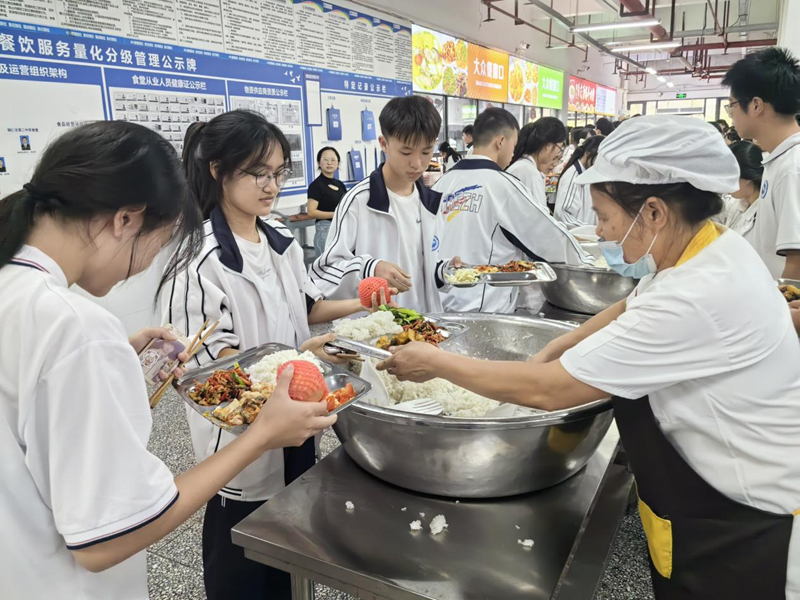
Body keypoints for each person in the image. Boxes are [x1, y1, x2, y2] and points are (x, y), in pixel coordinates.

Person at [380, 116, 800, 600]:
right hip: (715, 508)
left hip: (748, 529)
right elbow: (632, 303)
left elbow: (550, 391)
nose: (599, 231)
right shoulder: (709, 250)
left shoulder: (697, 295)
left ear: (655, 213)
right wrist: (556, 346)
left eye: (603, 216)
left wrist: (435, 363)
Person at [0, 121, 335, 600]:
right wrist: (261, 434)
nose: (141, 268)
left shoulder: (21, 293)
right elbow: (105, 540)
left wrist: (118, 371)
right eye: (157, 245)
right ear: (125, 220)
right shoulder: (76, 326)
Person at [165, 110, 386, 600]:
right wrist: (295, 360)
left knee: (290, 547)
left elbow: (305, 311)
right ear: (218, 171)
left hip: (298, 413)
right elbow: (207, 372)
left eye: (279, 172)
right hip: (240, 443)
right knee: (243, 557)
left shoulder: (279, 241)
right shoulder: (198, 260)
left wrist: (348, 317)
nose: (271, 185)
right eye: (257, 173)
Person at [432, 107, 591, 314]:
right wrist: (587, 262)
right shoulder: (503, 185)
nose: (514, 152)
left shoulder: (441, 184)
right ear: (500, 142)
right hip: (483, 310)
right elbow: (549, 239)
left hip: (441, 304)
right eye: (514, 145)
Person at [310, 96, 454, 313]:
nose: (417, 163)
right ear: (383, 143)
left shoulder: (431, 202)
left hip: (424, 327)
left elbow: (423, 268)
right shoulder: (359, 201)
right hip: (376, 333)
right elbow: (323, 273)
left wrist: (445, 271)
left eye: (426, 152)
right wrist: (370, 268)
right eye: (406, 152)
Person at [723, 47, 800, 279]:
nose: (731, 115)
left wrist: (784, 312)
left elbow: (796, 261)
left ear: (755, 105)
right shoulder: (776, 161)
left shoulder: (792, 167)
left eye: (732, 105)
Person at [506, 117, 567, 208]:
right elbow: (540, 218)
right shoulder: (529, 173)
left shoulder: (523, 166)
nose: (556, 156)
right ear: (549, 146)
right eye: (559, 149)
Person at [554, 135, 605, 229]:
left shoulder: (588, 173)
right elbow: (564, 215)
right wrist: (590, 229)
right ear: (587, 153)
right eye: (599, 158)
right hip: (577, 236)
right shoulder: (573, 176)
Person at [307, 146, 346, 258]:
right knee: (325, 270)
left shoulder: (340, 185)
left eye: (333, 160)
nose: (329, 163)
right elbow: (311, 212)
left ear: (338, 164)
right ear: (319, 163)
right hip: (325, 231)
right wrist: (336, 214)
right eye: (325, 159)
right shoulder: (316, 185)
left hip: (340, 229)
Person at [722, 141, 763, 241]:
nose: (724, 183)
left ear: (747, 178)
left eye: (729, 177)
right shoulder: (739, 203)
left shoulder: (764, 214)